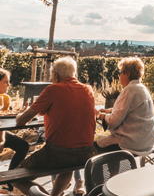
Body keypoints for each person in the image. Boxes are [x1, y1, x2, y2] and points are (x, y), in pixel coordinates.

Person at [13, 57, 95, 196]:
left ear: (56, 76)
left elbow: (22, 121)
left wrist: (19, 116)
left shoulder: (53, 89)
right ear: (74, 74)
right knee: (67, 168)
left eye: (52, 76)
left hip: (58, 154)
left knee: (16, 177)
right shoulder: (88, 90)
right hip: (85, 153)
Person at [95, 57, 154, 155]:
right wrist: (111, 110)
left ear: (127, 74)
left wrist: (98, 115)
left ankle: (112, 171)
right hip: (147, 141)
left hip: (131, 143)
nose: (118, 75)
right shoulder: (142, 88)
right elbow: (134, 111)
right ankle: (118, 170)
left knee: (92, 149)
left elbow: (114, 121)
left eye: (120, 72)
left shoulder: (129, 90)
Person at [0, 69, 30, 195]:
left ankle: (9, 180)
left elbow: (3, 117)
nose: (9, 85)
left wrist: (22, 112)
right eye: (6, 82)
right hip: (0, 134)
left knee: (23, 145)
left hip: (1, 133)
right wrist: (2, 140)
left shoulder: (3, 98)